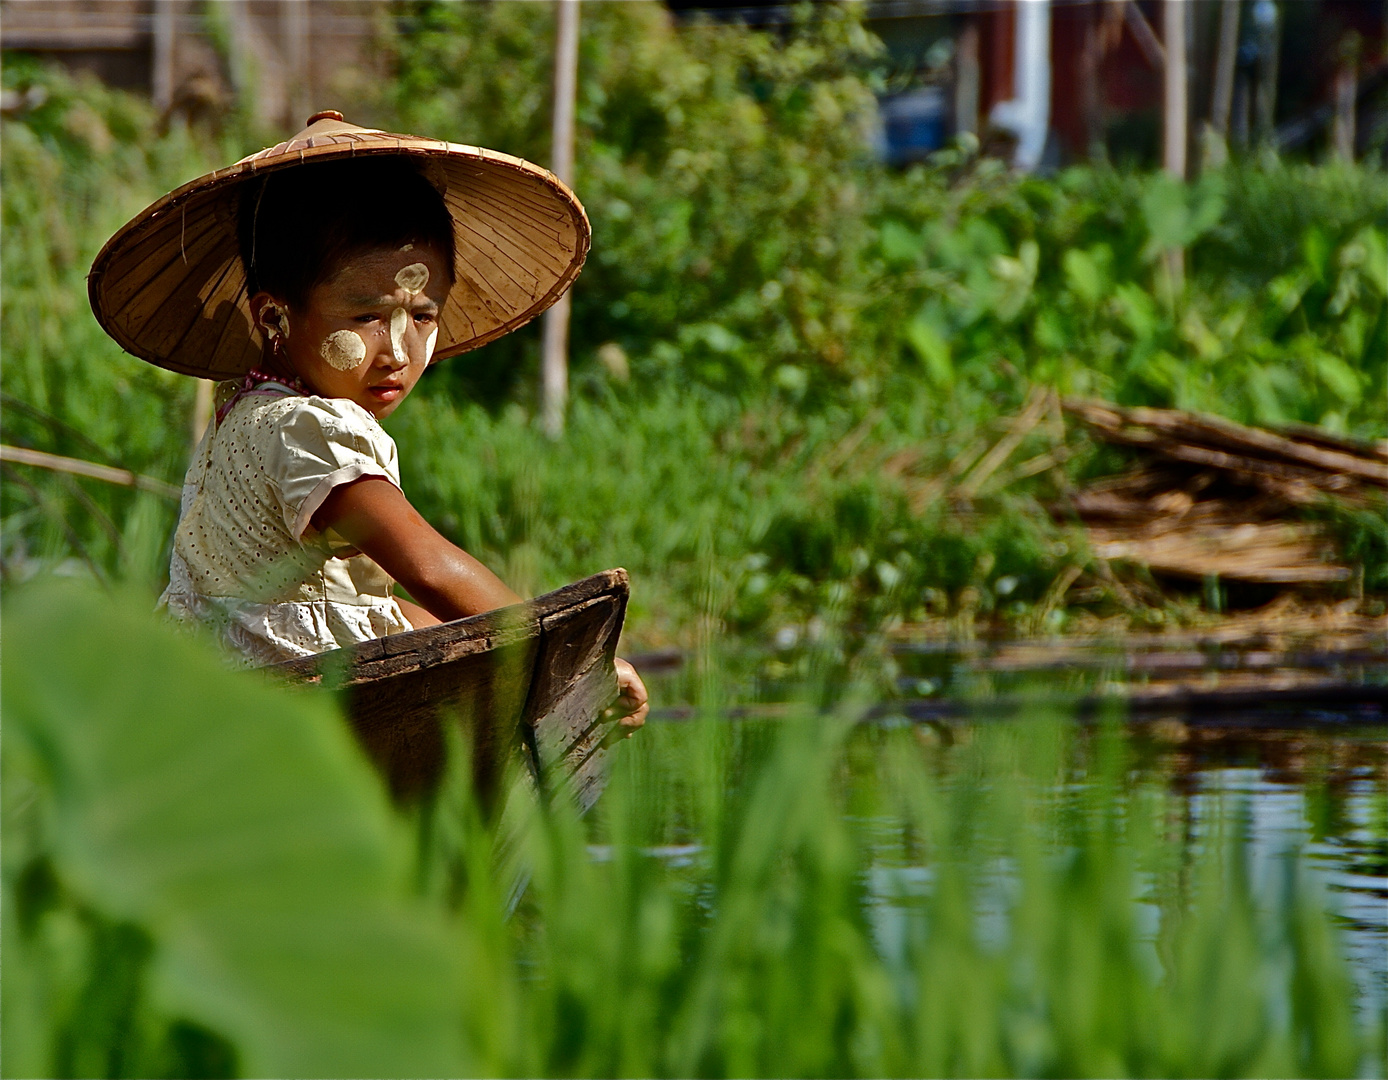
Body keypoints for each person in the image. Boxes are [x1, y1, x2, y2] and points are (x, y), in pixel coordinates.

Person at [89, 113, 647, 733]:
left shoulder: (247, 412)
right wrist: (568, 656)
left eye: (424, 316)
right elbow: (429, 567)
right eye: (366, 317)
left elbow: (358, 606)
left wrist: (484, 649)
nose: (399, 352)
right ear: (274, 316)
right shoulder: (307, 431)